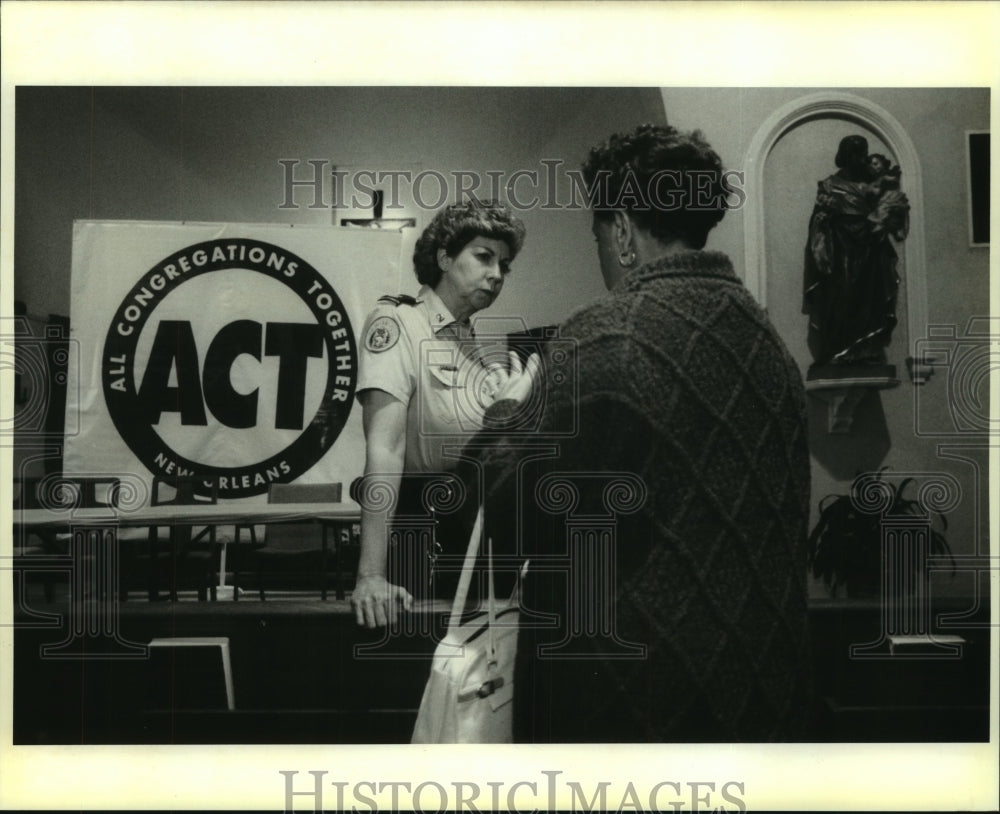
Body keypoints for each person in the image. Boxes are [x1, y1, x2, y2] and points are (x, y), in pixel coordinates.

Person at [473, 124, 814, 741]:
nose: (601, 249)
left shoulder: (605, 336)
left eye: (598, 233)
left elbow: (508, 515)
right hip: (759, 701)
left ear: (623, 230)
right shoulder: (771, 347)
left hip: (627, 710)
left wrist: (508, 410)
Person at [351, 199, 527, 629]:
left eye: (504, 264)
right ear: (445, 258)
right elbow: (385, 450)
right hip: (421, 540)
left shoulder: (474, 350)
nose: (496, 274)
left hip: (477, 542)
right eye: (483, 257)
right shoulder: (398, 324)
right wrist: (371, 574)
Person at [803, 135, 905, 368]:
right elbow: (818, 221)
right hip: (840, 249)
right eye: (855, 154)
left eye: (863, 154)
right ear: (844, 156)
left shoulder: (871, 185)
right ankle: (835, 350)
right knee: (840, 295)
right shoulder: (830, 185)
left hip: (870, 251)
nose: (860, 159)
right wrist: (825, 221)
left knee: (870, 300)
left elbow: (888, 211)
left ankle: (865, 350)